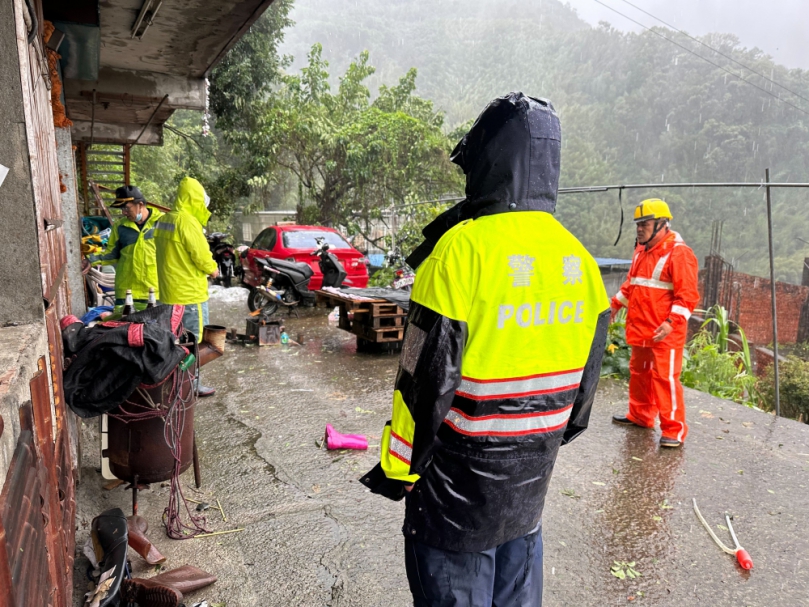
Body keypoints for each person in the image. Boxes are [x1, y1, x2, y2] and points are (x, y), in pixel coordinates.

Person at [361, 92, 610, 607]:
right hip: (528, 490)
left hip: (455, 494)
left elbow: (421, 382)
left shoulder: (458, 251)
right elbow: (581, 404)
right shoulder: (580, 262)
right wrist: (530, 454)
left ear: (488, 161)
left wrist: (398, 469)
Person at [610, 199, 700, 448]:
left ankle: (674, 430)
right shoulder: (641, 249)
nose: (640, 229)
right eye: (638, 224)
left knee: (665, 379)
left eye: (645, 224)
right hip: (641, 326)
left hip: (664, 333)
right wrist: (614, 305)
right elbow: (632, 285)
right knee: (639, 373)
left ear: (662, 224)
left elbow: (688, 296)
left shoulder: (680, 254)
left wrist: (672, 322)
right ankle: (640, 415)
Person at [154, 176, 219, 397]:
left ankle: (172, 381)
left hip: (168, 293)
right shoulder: (188, 222)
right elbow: (201, 256)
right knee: (196, 341)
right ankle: (191, 385)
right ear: (194, 200)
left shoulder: (165, 219)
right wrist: (213, 269)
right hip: (190, 294)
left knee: (174, 340)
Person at [85, 185, 163, 307]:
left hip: (154, 292)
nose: (124, 212)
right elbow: (111, 254)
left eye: (127, 208)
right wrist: (89, 260)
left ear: (140, 204)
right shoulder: (120, 227)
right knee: (123, 325)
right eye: (122, 209)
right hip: (126, 293)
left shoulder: (162, 223)